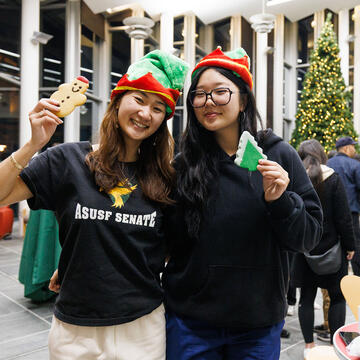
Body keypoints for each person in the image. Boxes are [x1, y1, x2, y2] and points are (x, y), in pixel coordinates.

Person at [0, 50, 189, 360]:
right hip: (75, 329)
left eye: (158, 108)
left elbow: (169, 248)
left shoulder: (166, 178)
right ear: (117, 102)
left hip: (141, 328)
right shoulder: (69, 160)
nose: (146, 113)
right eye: (139, 100)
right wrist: (33, 145)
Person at [163, 47, 323, 360]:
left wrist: (280, 201)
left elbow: (309, 236)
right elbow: (164, 240)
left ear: (244, 99)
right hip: (192, 324)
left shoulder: (278, 155)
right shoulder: (184, 165)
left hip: (258, 325)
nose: (208, 102)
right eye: (199, 94)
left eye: (220, 92)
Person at [292, 139, 355, 358]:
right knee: (337, 298)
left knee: (306, 299)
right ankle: (333, 345)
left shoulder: (295, 177)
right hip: (332, 250)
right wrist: (350, 246)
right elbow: (343, 218)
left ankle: (309, 346)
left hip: (304, 249)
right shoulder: (333, 178)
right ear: (321, 154)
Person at [327, 136, 360, 276]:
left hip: (329, 214)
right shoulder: (355, 165)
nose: (354, 149)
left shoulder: (327, 163)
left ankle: (336, 278)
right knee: (355, 247)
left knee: (333, 246)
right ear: (346, 148)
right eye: (353, 146)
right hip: (350, 214)